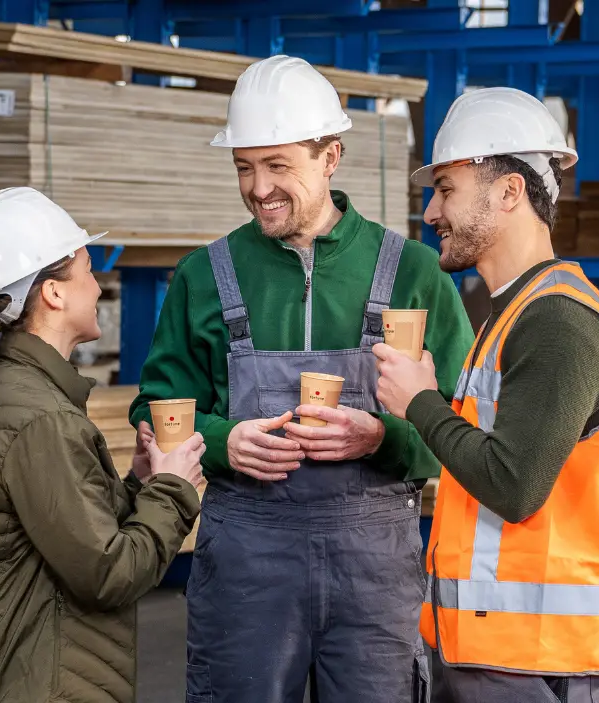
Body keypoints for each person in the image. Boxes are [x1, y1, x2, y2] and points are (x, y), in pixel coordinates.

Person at [128, 54, 474, 702]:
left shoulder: (416, 275)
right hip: (247, 571)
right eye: (244, 167)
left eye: (277, 165)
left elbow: (470, 428)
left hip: (374, 573)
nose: (258, 187)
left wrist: (385, 438)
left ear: (331, 156)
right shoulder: (205, 276)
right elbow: (153, 409)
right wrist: (223, 439)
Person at [374, 87, 599, 703]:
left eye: (447, 189)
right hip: (499, 652)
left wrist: (421, 401)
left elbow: (514, 486)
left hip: (540, 662)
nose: (432, 212)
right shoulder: (511, 314)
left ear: (509, 191)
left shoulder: (557, 321)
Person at [0, 186, 208, 703]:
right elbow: (108, 574)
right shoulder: (41, 419)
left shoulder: (17, 396)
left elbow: (61, 536)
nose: (99, 287)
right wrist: (172, 489)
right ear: (54, 293)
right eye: (87, 270)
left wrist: (138, 485)